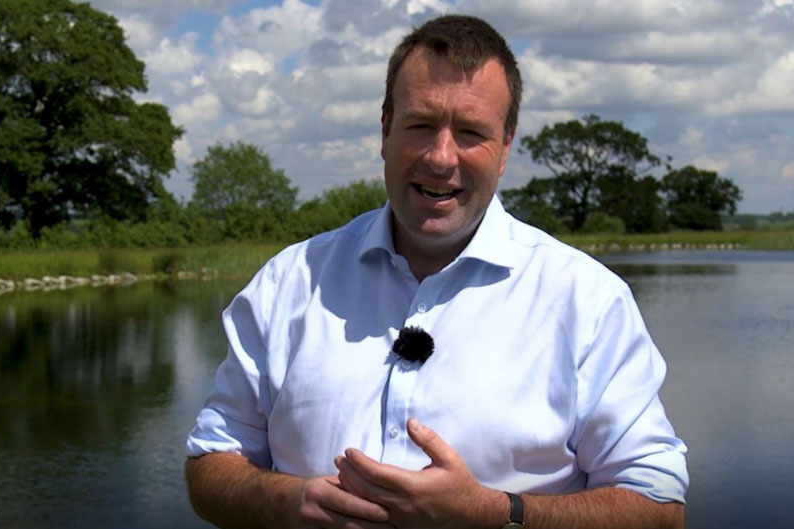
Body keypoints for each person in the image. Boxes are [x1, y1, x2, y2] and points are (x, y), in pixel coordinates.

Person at [184, 14, 688, 529]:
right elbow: (209, 466)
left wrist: (495, 514)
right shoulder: (287, 283)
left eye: (471, 132)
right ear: (385, 130)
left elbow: (658, 507)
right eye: (421, 125)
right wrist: (283, 503)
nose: (442, 157)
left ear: (507, 146)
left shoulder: (588, 300)